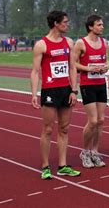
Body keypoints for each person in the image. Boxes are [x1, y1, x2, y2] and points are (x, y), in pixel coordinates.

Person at [30, 10, 81, 180]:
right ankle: (45, 166)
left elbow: (73, 67)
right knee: (48, 129)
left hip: (65, 89)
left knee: (64, 129)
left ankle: (63, 165)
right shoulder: (41, 45)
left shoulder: (69, 42)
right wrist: (34, 93)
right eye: (65, 22)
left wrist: (74, 90)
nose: (68, 24)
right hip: (50, 91)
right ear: (56, 24)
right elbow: (35, 71)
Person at [72, 14, 109, 168]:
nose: (102, 27)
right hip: (87, 84)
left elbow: (106, 59)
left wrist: (106, 66)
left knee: (100, 121)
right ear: (90, 27)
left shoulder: (103, 42)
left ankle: (95, 151)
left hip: (101, 82)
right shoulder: (81, 43)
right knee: (92, 121)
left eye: (102, 24)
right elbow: (73, 64)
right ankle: (85, 152)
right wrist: (89, 68)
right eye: (99, 25)